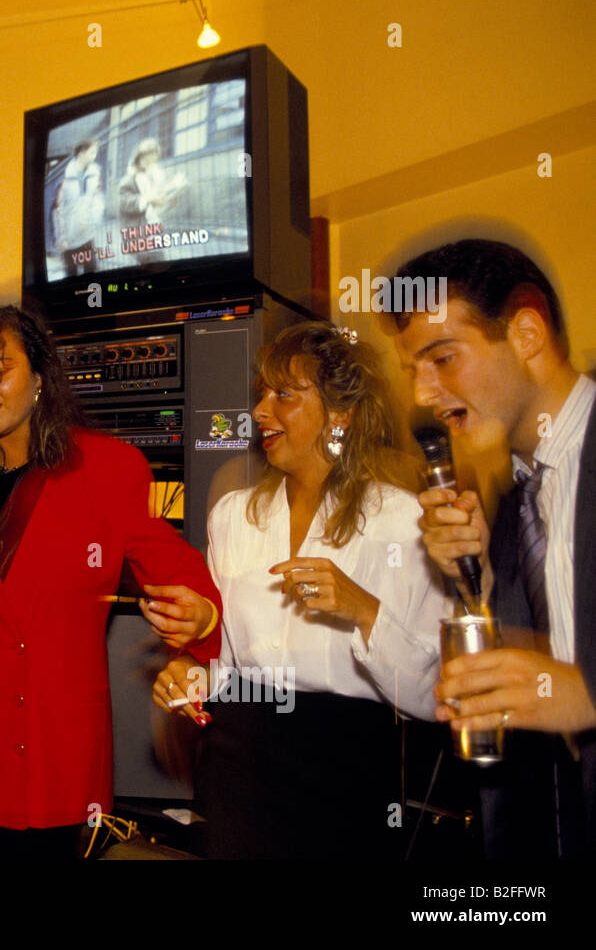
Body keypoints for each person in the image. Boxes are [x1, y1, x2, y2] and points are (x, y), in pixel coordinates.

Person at [0, 305, 221, 859]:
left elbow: (182, 577)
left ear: (41, 378)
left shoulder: (106, 468)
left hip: (50, 748)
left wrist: (201, 618)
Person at [152, 322, 450, 859]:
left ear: (341, 414)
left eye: (284, 395)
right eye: (260, 394)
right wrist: (192, 677)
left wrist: (362, 609)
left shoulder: (403, 521)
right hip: (238, 764)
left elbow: (431, 695)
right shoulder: (233, 517)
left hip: (349, 772)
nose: (261, 411)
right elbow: (230, 665)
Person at [387, 238, 595, 857]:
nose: (424, 393)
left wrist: (589, 694)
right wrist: (474, 586)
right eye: (414, 370)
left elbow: (572, 689)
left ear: (526, 334)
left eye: (443, 358)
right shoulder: (515, 500)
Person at [53, 139, 104, 276]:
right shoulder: (63, 179)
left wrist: (95, 219)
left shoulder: (95, 175)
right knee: (71, 275)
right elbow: (57, 210)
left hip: (87, 236)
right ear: (81, 153)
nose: (95, 156)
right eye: (92, 152)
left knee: (92, 272)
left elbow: (98, 199)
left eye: (96, 152)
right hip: (69, 240)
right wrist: (61, 238)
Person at [116, 138, 185, 232]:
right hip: (135, 228)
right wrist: (148, 199)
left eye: (153, 161)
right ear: (138, 158)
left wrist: (168, 198)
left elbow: (158, 197)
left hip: (153, 224)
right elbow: (125, 203)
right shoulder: (128, 180)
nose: (150, 164)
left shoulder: (154, 176)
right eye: (147, 160)